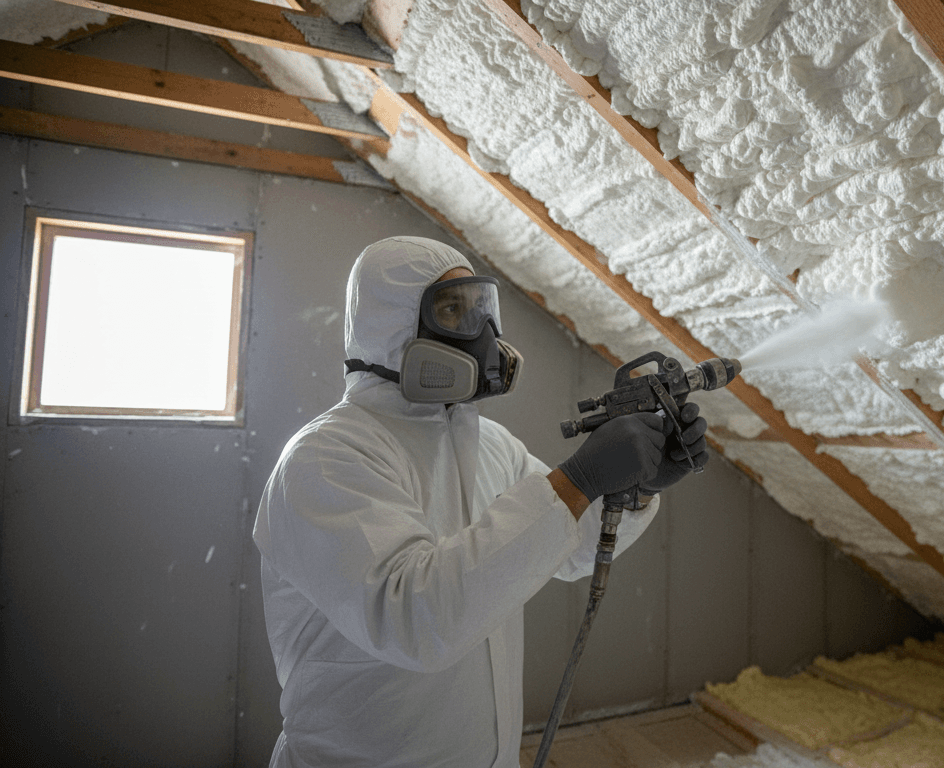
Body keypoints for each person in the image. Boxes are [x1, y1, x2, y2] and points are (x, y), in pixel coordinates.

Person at [253, 236, 708, 768]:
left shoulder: (488, 443)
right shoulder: (325, 457)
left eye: (482, 309)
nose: (484, 335)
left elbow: (570, 543)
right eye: (453, 310)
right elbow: (417, 618)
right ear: (394, 327)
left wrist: (636, 488)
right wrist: (579, 478)